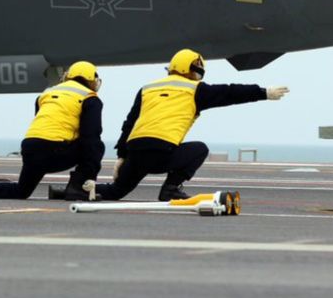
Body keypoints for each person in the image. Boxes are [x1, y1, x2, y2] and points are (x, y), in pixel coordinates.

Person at [92, 49, 289, 202]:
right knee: (199, 149)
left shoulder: (147, 89)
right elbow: (230, 92)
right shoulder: (194, 89)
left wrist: (121, 156)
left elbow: (130, 122)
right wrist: (263, 93)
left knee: (115, 191)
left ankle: (80, 187)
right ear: (188, 70)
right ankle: (170, 189)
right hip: (162, 152)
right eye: (197, 72)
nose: (198, 77)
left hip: (135, 151)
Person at [0, 61, 104, 200]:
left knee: (21, 191)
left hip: (30, 148)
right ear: (91, 79)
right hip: (54, 150)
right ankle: (78, 189)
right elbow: (90, 136)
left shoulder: (46, 93)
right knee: (96, 146)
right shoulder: (90, 98)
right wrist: (89, 175)